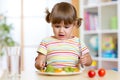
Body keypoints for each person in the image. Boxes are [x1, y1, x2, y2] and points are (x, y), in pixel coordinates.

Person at [35, 2, 92, 70]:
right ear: (52, 24)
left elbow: (89, 61)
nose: (61, 30)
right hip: (52, 76)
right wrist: (39, 64)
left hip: (72, 76)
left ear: (74, 24)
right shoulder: (46, 42)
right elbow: (38, 61)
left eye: (66, 27)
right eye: (57, 26)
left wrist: (86, 60)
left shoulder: (78, 42)